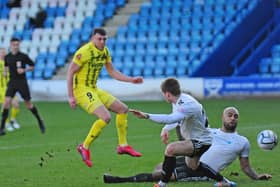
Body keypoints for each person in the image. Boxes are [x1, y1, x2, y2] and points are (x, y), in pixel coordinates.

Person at [104, 107, 272, 186]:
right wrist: (170, 127)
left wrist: (256, 177)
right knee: (160, 167)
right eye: (230, 115)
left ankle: (118, 180)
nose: (233, 118)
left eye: (236, 115)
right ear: (223, 117)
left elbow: (245, 166)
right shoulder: (209, 132)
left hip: (202, 170)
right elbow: (187, 137)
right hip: (190, 160)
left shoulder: (242, 141)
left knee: (160, 176)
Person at [130, 78, 234, 187]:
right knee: (194, 165)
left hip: (201, 141)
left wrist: (147, 115)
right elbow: (176, 118)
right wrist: (165, 129)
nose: (164, 96)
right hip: (200, 139)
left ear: (168, 94)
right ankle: (224, 181)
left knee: (170, 149)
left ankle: (162, 184)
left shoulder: (187, 104)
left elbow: (171, 118)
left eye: (163, 94)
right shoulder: (178, 100)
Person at [67, 28, 143, 168]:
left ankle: (123, 145)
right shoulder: (83, 52)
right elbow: (70, 72)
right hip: (82, 90)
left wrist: (131, 80)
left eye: (104, 39)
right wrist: (71, 96)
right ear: (92, 39)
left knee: (123, 109)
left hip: (93, 89)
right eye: (99, 39)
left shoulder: (105, 52)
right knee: (105, 117)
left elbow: (112, 72)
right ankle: (84, 146)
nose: (102, 42)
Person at [0, 38, 45, 136]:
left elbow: (33, 66)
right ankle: (2, 128)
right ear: (11, 45)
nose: (15, 46)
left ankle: (40, 120)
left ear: (19, 45)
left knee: (28, 104)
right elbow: (6, 66)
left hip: (21, 82)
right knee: (6, 103)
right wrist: (4, 72)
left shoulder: (23, 56)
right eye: (14, 45)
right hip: (12, 82)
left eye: (17, 44)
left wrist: (25, 70)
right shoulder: (7, 57)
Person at [0, 47, 21, 132]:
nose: (3, 54)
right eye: (1, 53)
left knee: (16, 104)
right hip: (1, 88)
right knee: (6, 105)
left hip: (10, 87)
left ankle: (12, 119)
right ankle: (6, 122)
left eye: (4, 52)